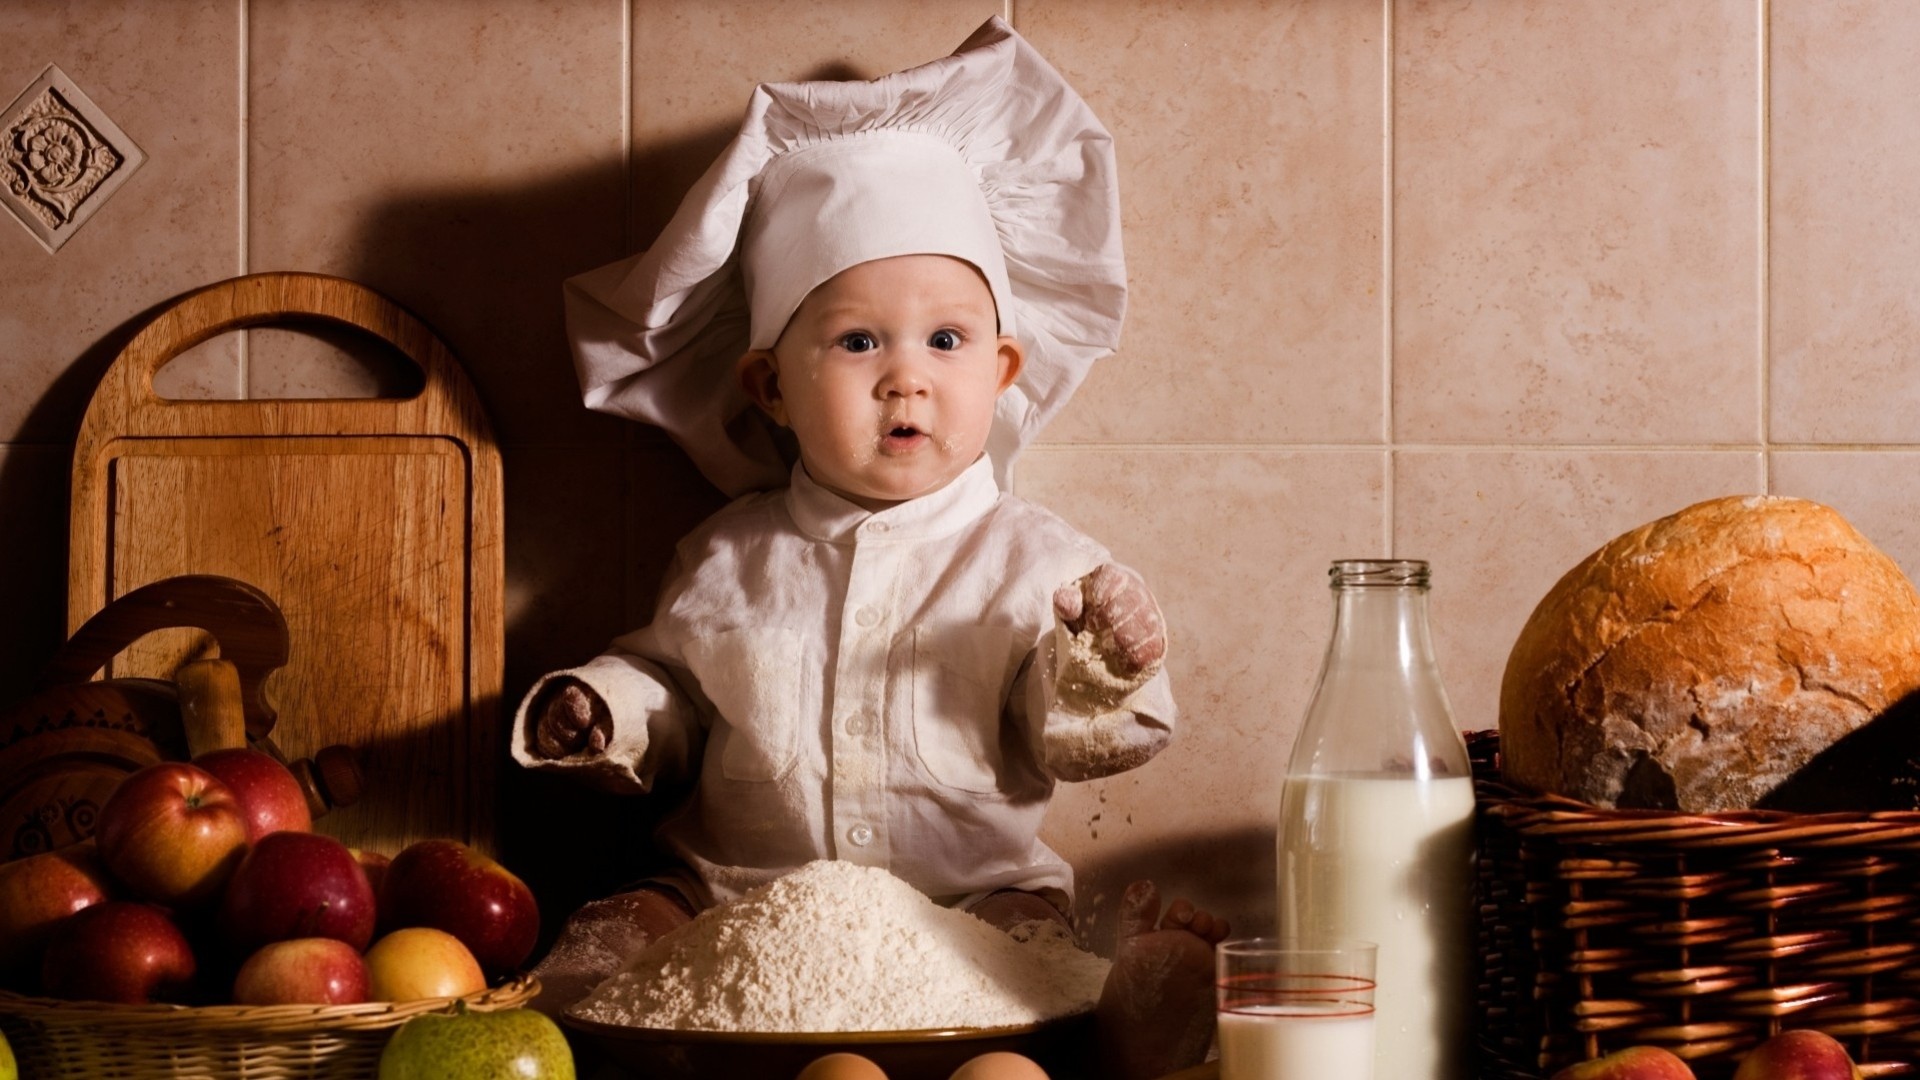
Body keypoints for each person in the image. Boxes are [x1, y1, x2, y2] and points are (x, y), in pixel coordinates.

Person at [515, 18, 1226, 1077]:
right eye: (858, 341)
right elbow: (673, 694)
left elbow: (1067, 732)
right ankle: (580, 1034)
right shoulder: (726, 559)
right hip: (737, 908)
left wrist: (1102, 668)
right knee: (618, 933)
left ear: (1002, 370)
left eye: (946, 340)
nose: (907, 377)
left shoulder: (1036, 562)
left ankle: (1127, 1024)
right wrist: (605, 708)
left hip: (971, 911)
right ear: (770, 388)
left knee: (1033, 951)